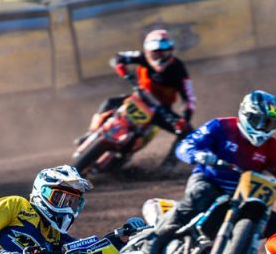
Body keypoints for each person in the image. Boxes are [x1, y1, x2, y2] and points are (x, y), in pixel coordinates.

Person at [141, 90, 276, 254]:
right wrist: (197, 155)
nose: (262, 128)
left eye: (270, 124)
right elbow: (185, 146)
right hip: (209, 181)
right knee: (198, 197)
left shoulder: (273, 147)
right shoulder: (220, 126)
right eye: (258, 121)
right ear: (245, 114)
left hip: (244, 196)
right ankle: (152, 243)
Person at [82, 29, 196, 164]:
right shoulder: (141, 57)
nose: (159, 56)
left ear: (171, 50)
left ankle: (169, 164)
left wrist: (185, 119)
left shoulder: (178, 69)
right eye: (155, 52)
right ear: (148, 52)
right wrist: (121, 67)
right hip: (139, 98)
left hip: (160, 110)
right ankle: (91, 133)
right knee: (109, 102)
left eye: (163, 51)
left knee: (187, 132)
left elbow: (189, 98)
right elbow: (118, 57)